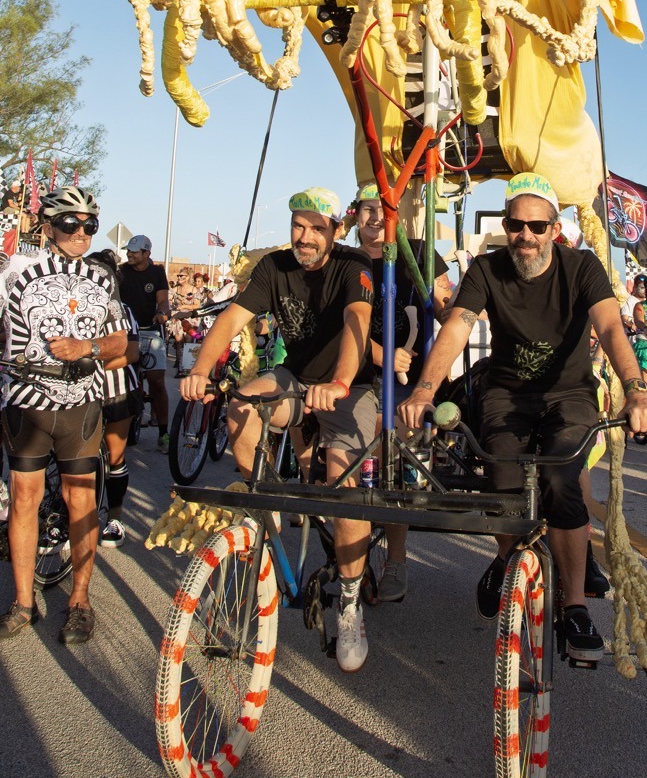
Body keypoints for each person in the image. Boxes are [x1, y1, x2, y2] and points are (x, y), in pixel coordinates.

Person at [400, 172, 647, 661]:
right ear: (506, 225)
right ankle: (504, 559)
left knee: (563, 478)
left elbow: (609, 326)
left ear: (554, 229)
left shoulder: (581, 267)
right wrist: (424, 391)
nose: (526, 236)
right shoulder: (486, 268)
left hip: (569, 395)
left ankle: (576, 606)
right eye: (516, 225)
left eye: (537, 227)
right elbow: (456, 327)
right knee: (500, 473)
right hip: (506, 395)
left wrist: (636, 391)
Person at [181, 187, 377, 673]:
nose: (304, 237)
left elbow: (358, 321)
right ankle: (259, 524)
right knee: (243, 406)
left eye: (315, 228)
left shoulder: (354, 265)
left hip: (351, 386)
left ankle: (350, 603)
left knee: (342, 480)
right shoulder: (274, 267)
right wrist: (201, 370)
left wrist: (339, 382)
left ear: (334, 230)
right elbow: (231, 320)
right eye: (298, 226)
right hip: (298, 377)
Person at [0, 187, 129, 642]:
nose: (81, 233)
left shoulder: (103, 280)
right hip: (26, 402)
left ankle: (79, 600)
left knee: (80, 500)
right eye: (71, 224)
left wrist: (87, 348)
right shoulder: (14, 271)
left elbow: (123, 344)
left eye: (90, 225)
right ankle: (23, 603)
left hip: (80, 405)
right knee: (24, 500)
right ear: (48, 226)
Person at [351, 182, 452, 602]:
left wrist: (455, 302)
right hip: (356, 372)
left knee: (386, 444)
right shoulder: (344, 259)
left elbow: (448, 302)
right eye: (367, 209)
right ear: (354, 214)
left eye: (383, 209)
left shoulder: (418, 251)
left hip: (406, 379)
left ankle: (396, 557)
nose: (375, 217)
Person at [87, 249, 141, 548]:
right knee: (81, 460)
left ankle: (115, 518)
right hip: (84, 392)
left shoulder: (124, 310)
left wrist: (88, 362)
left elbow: (130, 354)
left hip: (117, 391)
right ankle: (74, 518)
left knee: (114, 458)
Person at [117, 235, 171, 452]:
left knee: (156, 381)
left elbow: (164, 301)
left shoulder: (157, 273)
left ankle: (164, 433)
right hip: (125, 333)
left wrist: (162, 312)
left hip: (149, 331)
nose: (130, 254)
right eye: (129, 251)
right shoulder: (121, 271)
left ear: (146, 253)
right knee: (119, 381)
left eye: (134, 251)